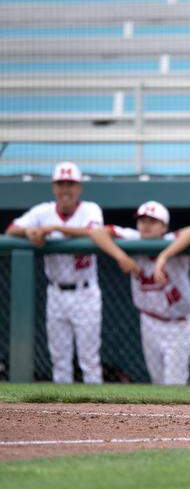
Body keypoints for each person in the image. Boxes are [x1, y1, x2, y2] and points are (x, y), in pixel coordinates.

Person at [6, 162, 105, 384]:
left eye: (70, 184)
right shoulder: (43, 211)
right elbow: (11, 229)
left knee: (89, 359)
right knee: (59, 359)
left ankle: (100, 414)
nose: (65, 189)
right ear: (54, 187)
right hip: (57, 292)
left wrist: (56, 229)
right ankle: (63, 415)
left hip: (85, 291)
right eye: (61, 184)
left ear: (78, 188)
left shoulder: (90, 209)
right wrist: (29, 231)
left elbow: (94, 230)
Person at [88, 201, 190, 385]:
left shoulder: (172, 241)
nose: (146, 226)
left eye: (152, 221)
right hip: (149, 321)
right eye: (142, 220)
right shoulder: (131, 237)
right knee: (157, 381)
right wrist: (121, 256)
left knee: (174, 384)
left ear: (164, 227)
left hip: (178, 323)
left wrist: (163, 257)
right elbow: (94, 232)